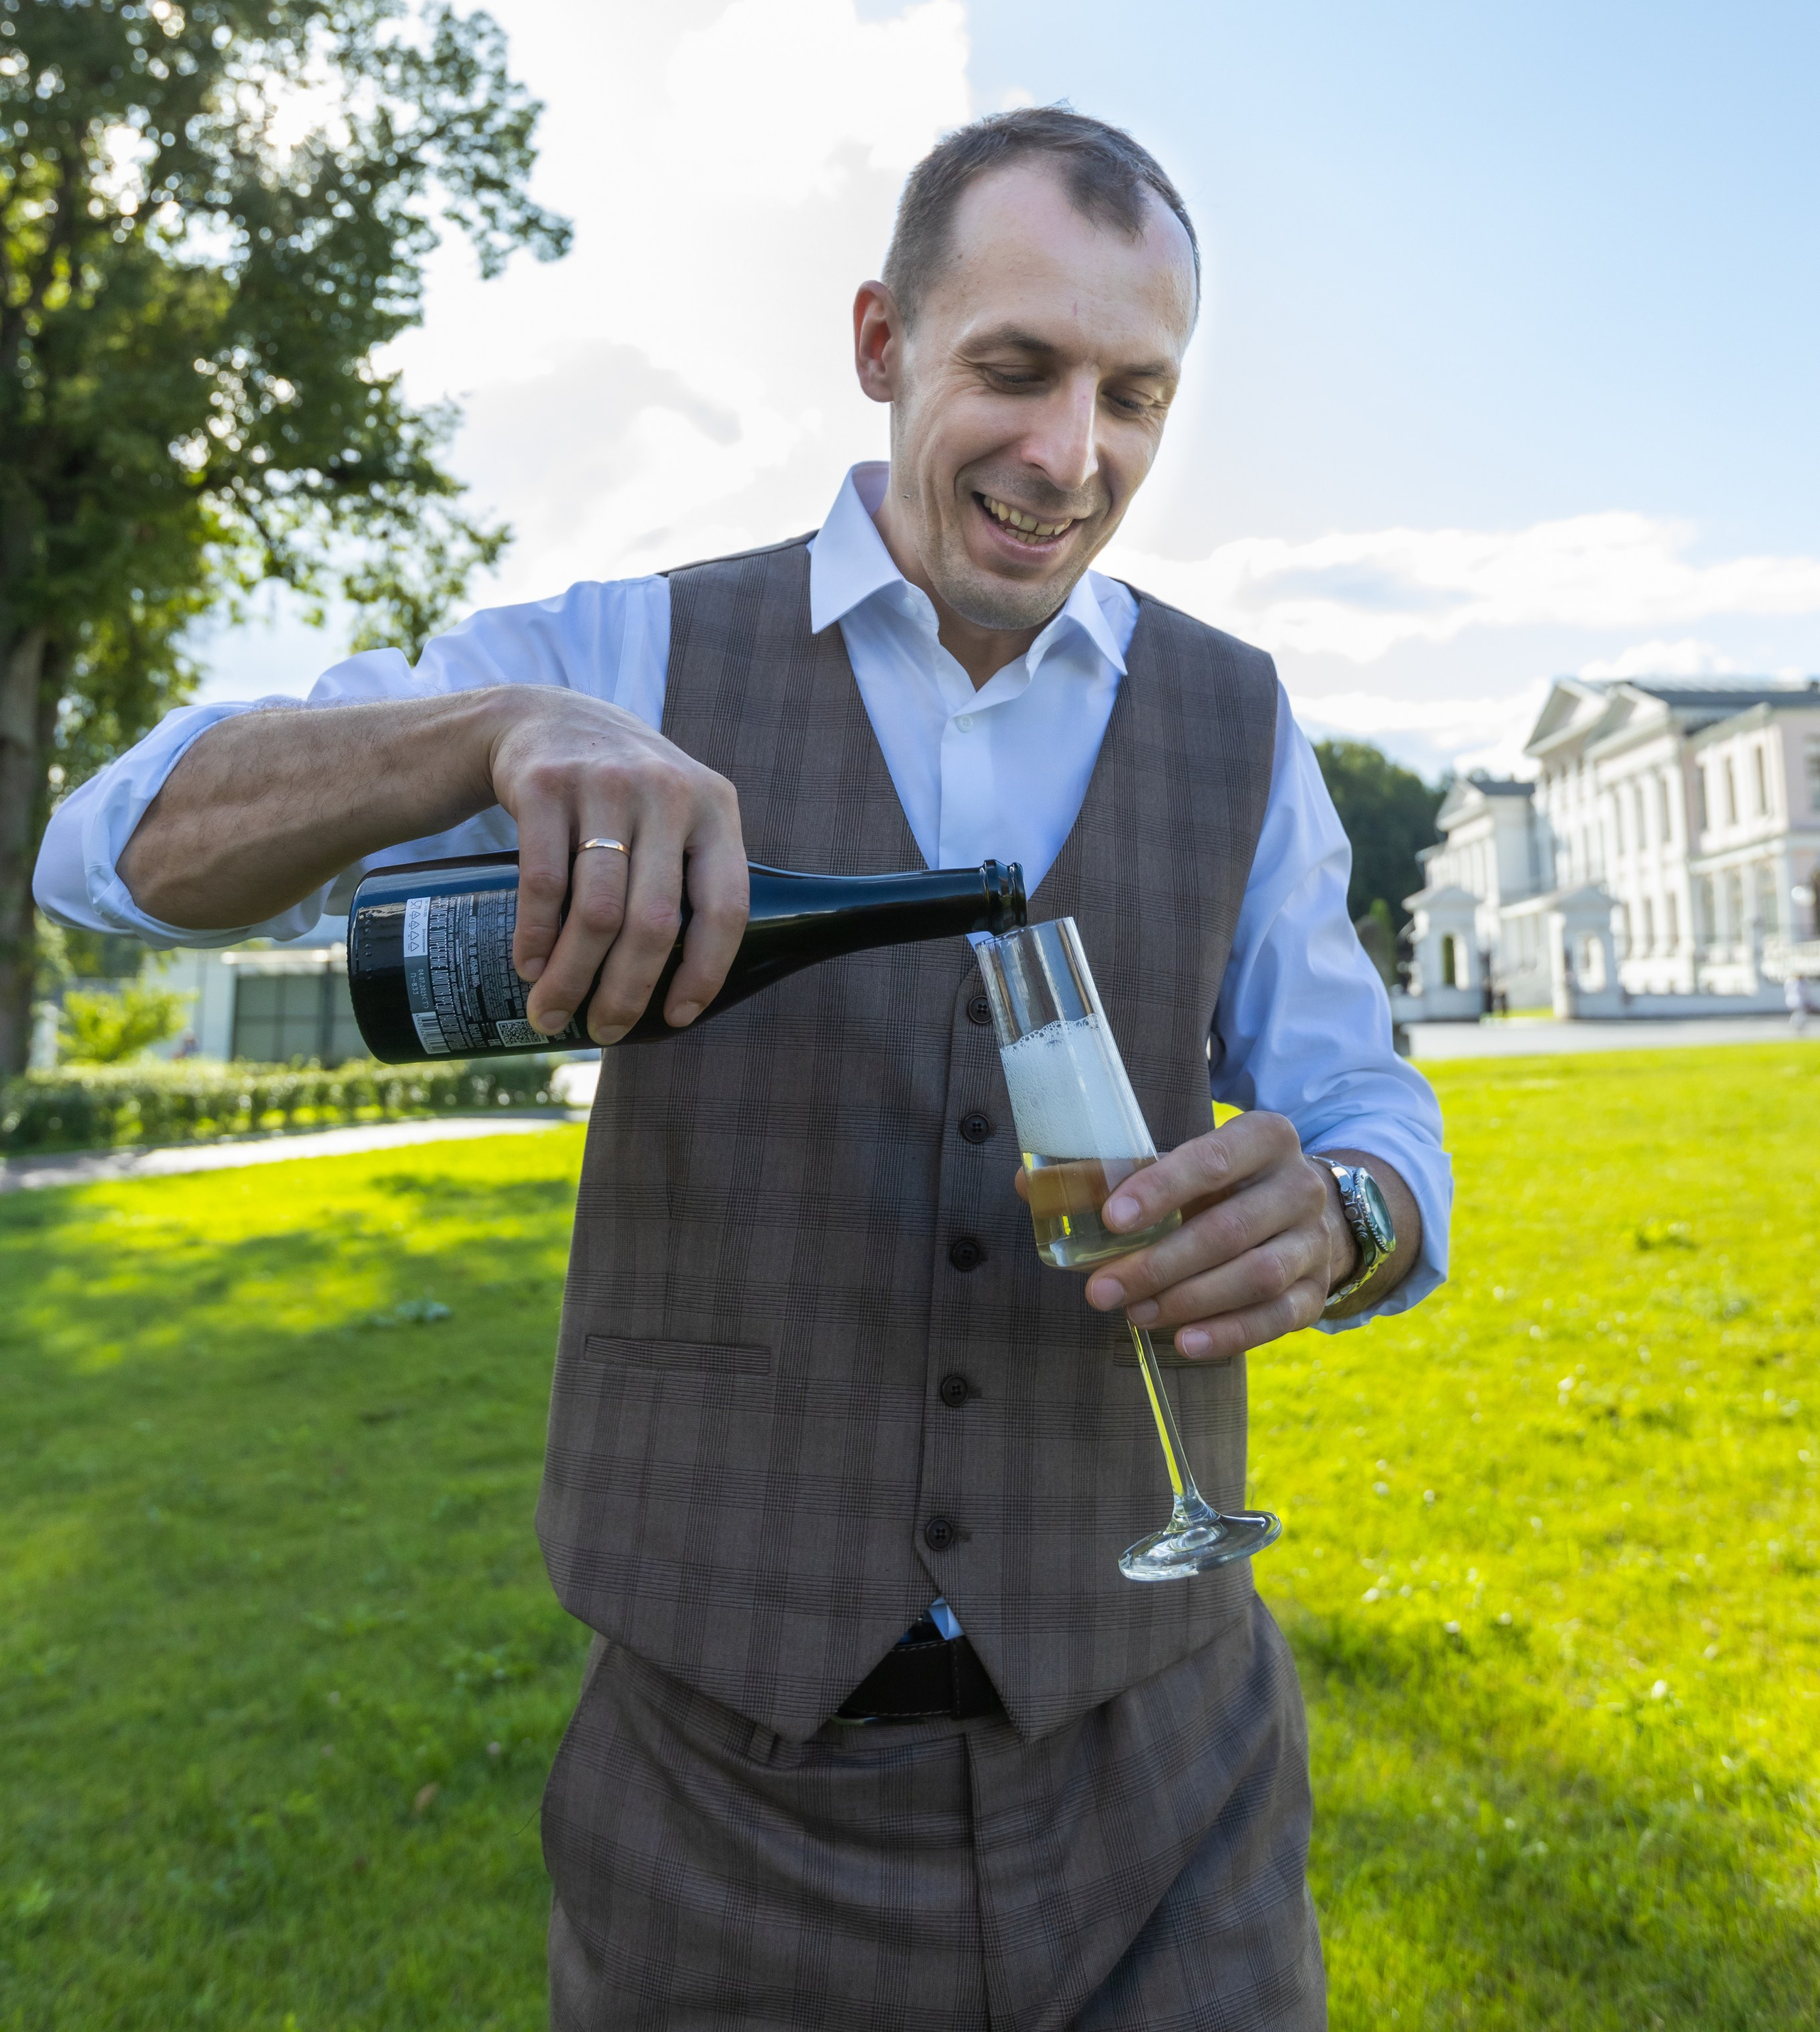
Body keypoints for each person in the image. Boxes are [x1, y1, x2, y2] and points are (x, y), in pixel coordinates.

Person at [38, 107, 1449, 2031]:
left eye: (1136, 393)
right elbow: (111, 850)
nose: (1073, 454)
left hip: (1170, 1790)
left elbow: (1372, 1115)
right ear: (880, 342)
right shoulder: (618, 652)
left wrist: (1347, 1218)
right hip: (724, 1814)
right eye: (1017, 370)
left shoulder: (1240, 717)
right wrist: (492, 736)